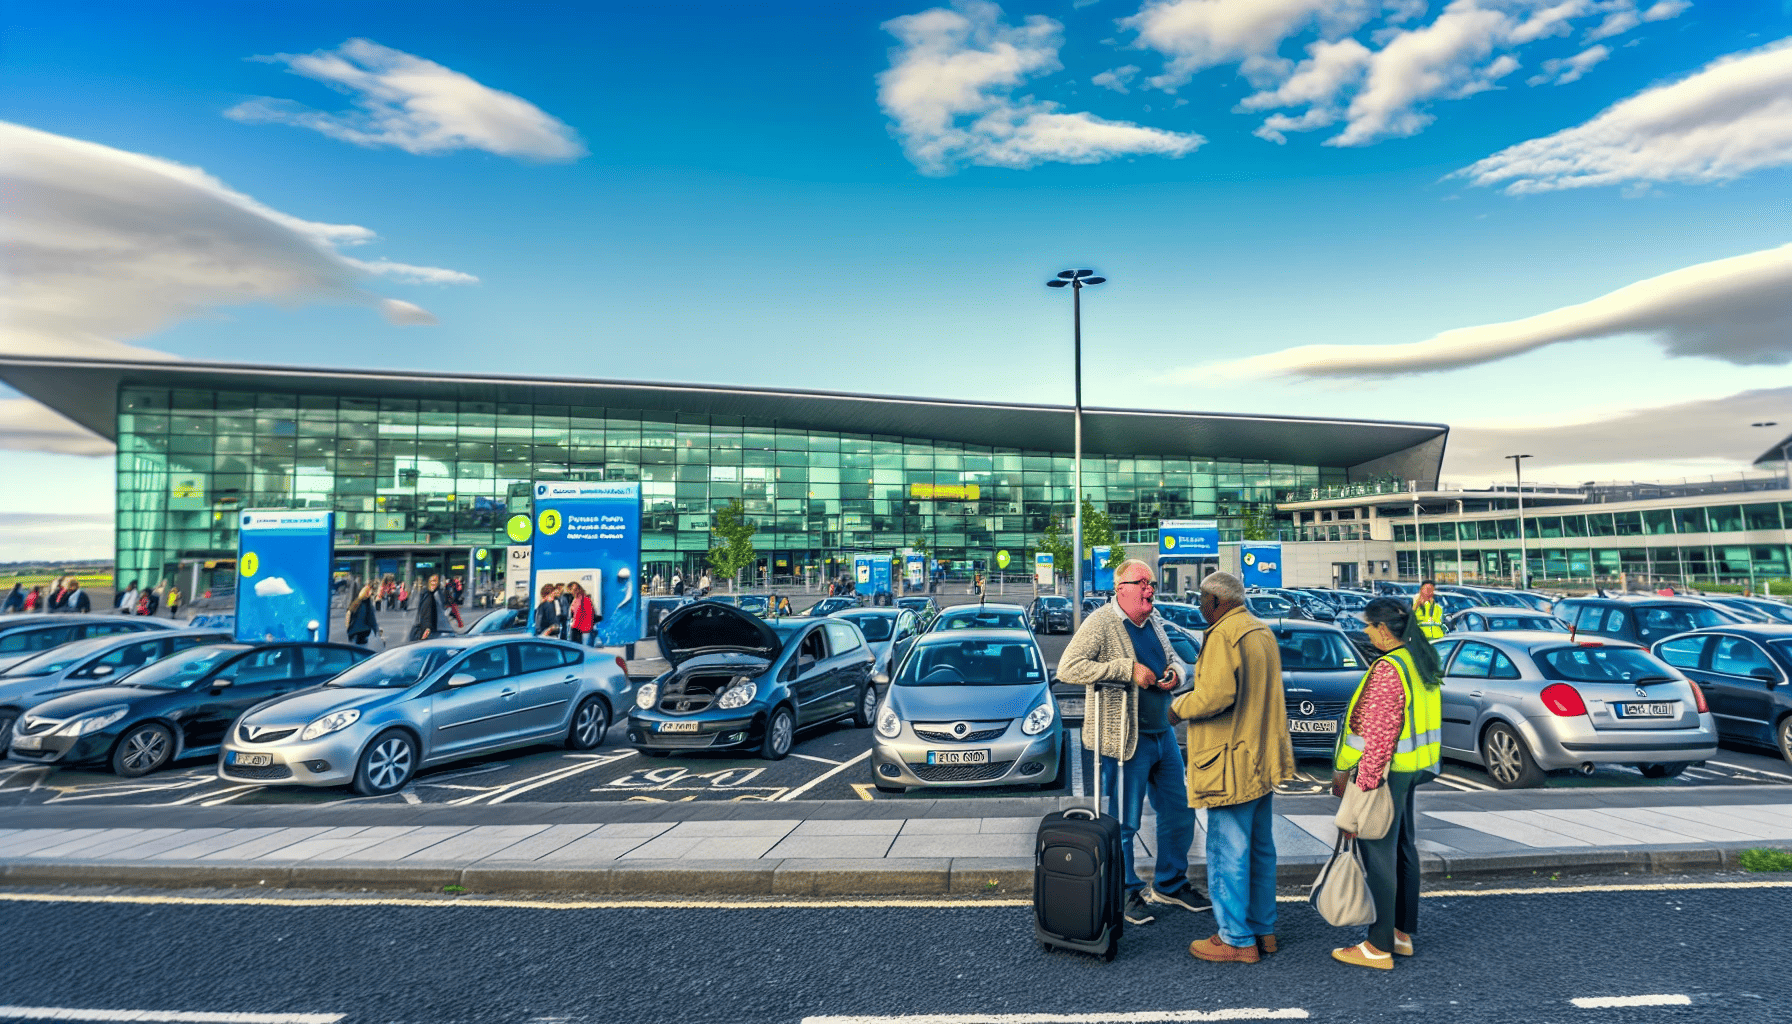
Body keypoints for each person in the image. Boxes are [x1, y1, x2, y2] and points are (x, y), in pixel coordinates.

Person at [1058, 558, 1205, 928]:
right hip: (1124, 738)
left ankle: (1171, 883)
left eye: (1152, 583)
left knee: (1179, 811)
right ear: (1120, 587)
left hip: (1162, 734)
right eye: (1142, 582)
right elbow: (1069, 668)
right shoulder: (1101, 623)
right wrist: (1125, 669)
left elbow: (1176, 661)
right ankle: (1125, 891)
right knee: (1124, 822)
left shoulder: (1154, 621)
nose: (1150, 589)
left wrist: (1175, 674)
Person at [1169, 570, 1295, 965]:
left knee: (1228, 852)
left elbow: (1217, 695)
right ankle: (1263, 930)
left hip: (1230, 762)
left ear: (1218, 602)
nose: (1199, 607)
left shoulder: (1224, 633)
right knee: (1260, 850)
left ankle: (1236, 939)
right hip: (1260, 757)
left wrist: (1177, 707)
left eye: (1202, 601)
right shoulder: (1260, 631)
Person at [1328, 596, 1443, 972]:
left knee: (1378, 855)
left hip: (1385, 774)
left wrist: (1359, 779)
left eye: (1367, 625)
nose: (1363, 630)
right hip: (1413, 769)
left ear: (1382, 630)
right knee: (1403, 849)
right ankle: (1400, 933)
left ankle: (1377, 946)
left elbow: (1376, 735)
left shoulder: (1388, 669)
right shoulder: (1419, 661)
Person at [407, 575, 443, 642]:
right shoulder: (428, 595)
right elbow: (426, 613)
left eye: (436, 581)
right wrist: (427, 629)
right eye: (433, 581)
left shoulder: (432, 594)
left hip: (425, 629)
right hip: (423, 631)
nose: (434, 583)